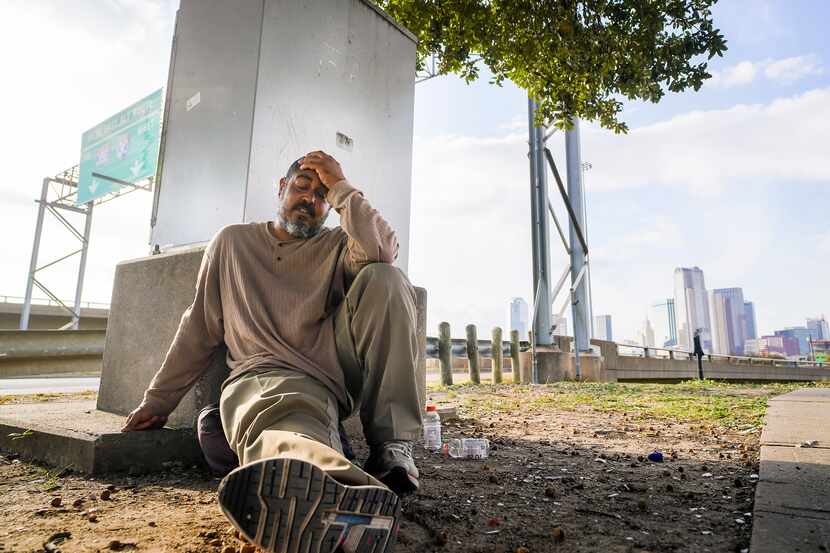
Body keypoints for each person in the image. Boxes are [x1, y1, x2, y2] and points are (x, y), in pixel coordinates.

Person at [122, 150, 422, 553]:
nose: (310, 200)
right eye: (302, 186)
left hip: (328, 373)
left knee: (386, 279)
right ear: (282, 188)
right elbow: (198, 326)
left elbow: (383, 251)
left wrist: (343, 187)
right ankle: (348, 491)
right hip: (259, 377)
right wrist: (158, 401)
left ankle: (391, 448)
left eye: (322, 194)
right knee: (286, 424)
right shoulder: (233, 242)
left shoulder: (338, 245)